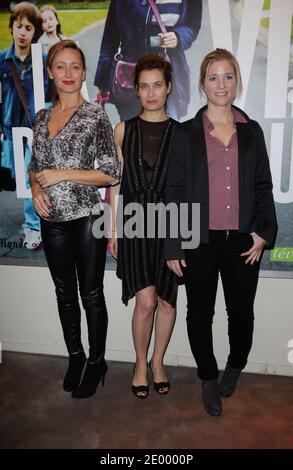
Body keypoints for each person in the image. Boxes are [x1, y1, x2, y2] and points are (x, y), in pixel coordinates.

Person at [166, 48, 277, 416]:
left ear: (237, 82)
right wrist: (173, 245)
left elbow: (263, 185)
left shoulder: (252, 131)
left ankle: (235, 364)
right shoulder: (185, 133)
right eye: (213, 77)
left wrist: (264, 231)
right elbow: (175, 191)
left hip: (243, 242)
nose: (221, 84)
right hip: (199, 240)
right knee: (199, 314)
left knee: (241, 312)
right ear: (202, 84)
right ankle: (209, 377)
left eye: (228, 76)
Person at [29, 40, 120, 399]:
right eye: (61, 67)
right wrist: (36, 188)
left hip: (86, 217)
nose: (69, 74)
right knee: (64, 293)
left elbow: (110, 173)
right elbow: (35, 170)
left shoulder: (95, 115)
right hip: (52, 220)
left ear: (84, 73)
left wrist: (61, 173)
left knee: (91, 294)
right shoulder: (40, 117)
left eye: (76, 67)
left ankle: (97, 361)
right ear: (51, 72)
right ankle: (75, 355)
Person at [109, 55, 179, 398]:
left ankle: (158, 362)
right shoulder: (123, 129)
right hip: (134, 222)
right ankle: (140, 363)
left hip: (172, 225)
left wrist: (187, 236)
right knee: (147, 302)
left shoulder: (182, 134)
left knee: (167, 300)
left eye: (157, 85)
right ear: (135, 90)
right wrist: (111, 228)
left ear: (168, 88)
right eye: (143, 86)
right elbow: (115, 184)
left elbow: (189, 188)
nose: (150, 93)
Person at [94, 0, 202, 121]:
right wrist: (102, 83)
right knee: (134, 134)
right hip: (131, 81)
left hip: (170, 77)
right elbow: (110, 39)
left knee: (168, 133)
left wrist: (179, 37)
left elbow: (192, 25)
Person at [0, 1, 49, 249]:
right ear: (11, 28)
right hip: (10, 127)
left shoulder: (42, 60)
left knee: (31, 178)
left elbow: (51, 93)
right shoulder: (2, 60)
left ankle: (33, 226)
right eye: (18, 26)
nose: (22, 32)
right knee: (18, 176)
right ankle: (36, 216)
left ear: (35, 32)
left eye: (28, 28)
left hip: (34, 129)